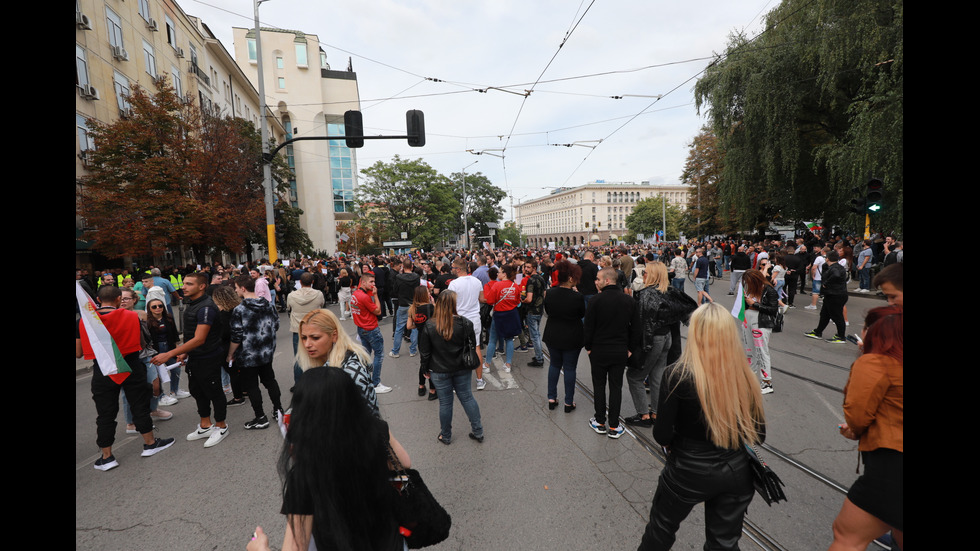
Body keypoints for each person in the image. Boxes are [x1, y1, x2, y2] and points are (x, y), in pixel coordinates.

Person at [637, 302, 766, 551]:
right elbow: (758, 435)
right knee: (724, 543)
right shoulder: (745, 375)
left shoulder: (677, 375)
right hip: (736, 471)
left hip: (687, 468)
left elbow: (661, 434)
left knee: (660, 531)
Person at [246, 367, 409, 551]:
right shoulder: (376, 429)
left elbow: (296, 547)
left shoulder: (305, 475)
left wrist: (259, 548)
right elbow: (405, 463)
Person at [78, 285, 175, 470]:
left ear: (98, 300)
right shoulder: (132, 316)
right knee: (140, 405)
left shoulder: (86, 322)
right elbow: (141, 343)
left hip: (103, 370)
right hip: (131, 366)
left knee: (105, 413)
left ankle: (107, 457)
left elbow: (80, 351)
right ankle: (150, 444)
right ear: (118, 300)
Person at [830, 306, 903, 550]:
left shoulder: (875, 362)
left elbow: (858, 418)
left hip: (892, 464)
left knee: (846, 537)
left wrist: (854, 429)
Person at [151, 272, 229, 448]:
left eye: (189, 284)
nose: (183, 287)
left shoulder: (206, 307)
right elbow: (192, 334)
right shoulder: (192, 304)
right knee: (198, 391)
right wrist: (185, 352)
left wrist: (169, 354)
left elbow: (200, 338)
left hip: (209, 357)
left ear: (202, 286)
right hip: (196, 357)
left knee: (214, 391)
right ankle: (205, 425)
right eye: (184, 283)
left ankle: (221, 426)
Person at [625, 262, 695, 428]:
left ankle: (644, 415)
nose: (643, 276)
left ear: (654, 275)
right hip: (667, 337)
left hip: (653, 339)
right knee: (657, 376)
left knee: (634, 377)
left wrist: (635, 348)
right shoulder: (670, 291)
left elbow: (642, 324)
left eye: (646, 273)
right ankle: (656, 412)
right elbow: (690, 308)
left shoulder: (646, 294)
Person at [419, 290, 484, 445]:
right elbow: (472, 347)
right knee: (467, 397)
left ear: (439, 304)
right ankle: (478, 431)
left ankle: (446, 435)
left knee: (446, 403)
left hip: (439, 369)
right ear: (455, 304)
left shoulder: (430, 325)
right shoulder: (466, 323)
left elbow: (425, 352)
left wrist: (424, 369)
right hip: (462, 366)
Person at [584, 268, 640, 439]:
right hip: (620, 350)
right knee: (616, 387)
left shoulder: (595, 300)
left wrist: (589, 347)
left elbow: (588, 327)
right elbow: (636, 328)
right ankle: (614, 426)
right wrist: (630, 349)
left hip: (599, 350)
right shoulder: (628, 301)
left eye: (598, 279)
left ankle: (600, 421)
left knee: (599, 385)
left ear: (607, 280)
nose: (596, 281)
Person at [296, 309, 379, 417]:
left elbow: (363, 421)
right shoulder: (326, 364)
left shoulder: (350, 372)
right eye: (304, 338)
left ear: (334, 335)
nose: (307, 344)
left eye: (315, 338)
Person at [228, 275, 284, 431]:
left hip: (248, 354)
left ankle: (260, 417)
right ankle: (278, 409)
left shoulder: (239, 310)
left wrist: (230, 354)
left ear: (243, 288)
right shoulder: (269, 305)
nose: (235, 290)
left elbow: (236, 336)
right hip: (266, 352)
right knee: (270, 380)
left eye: (237, 287)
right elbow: (276, 325)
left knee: (252, 386)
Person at [544, 259, 584, 412]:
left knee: (554, 365)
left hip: (552, 333)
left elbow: (548, 311)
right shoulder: (577, 297)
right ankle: (569, 402)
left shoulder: (550, 293)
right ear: (570, 278)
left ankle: (551, 398)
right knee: (569, 368)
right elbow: (581, 314)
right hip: (572, 335)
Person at [350, 271, 391, 393]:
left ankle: (366, 379)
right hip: (371, 328)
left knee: (366, 354)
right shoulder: (364, 297)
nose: (374, 284)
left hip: (361, 328)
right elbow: (378, 311)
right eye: (371, 282)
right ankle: (376, 383)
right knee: (379, 354)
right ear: (363, 282)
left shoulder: (356, 294)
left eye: (374, 281)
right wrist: (376, 295)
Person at [742, 269, 779, 394]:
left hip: (761, 323)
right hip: (747, 321)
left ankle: (767, 382)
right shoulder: (748, 289)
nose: (747, 284)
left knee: (762, 352)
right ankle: (750, 378)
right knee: (749, 351)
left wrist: (755, 304)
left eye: (749, 282)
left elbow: (773, 310)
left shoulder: (769, 290)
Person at [805, 250, 849, 344]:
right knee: (824, 314)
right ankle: (818, 332)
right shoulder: (833, 267)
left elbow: (836, 275)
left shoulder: (835, 268)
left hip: (836, 295)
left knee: (837, 316)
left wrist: (826, 283)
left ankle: (841, 336)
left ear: (827, 258)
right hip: (832, 294)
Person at [406, 285, 436, 400]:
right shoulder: (432, 307)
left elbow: (408, 326)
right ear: (425, 294)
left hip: (421, 338)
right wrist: (433, 303)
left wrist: (418, 325)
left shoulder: (412, 308)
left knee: (423, 361)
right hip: (432, 337)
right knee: (433, 363)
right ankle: (433, 390)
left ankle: (421, 386)